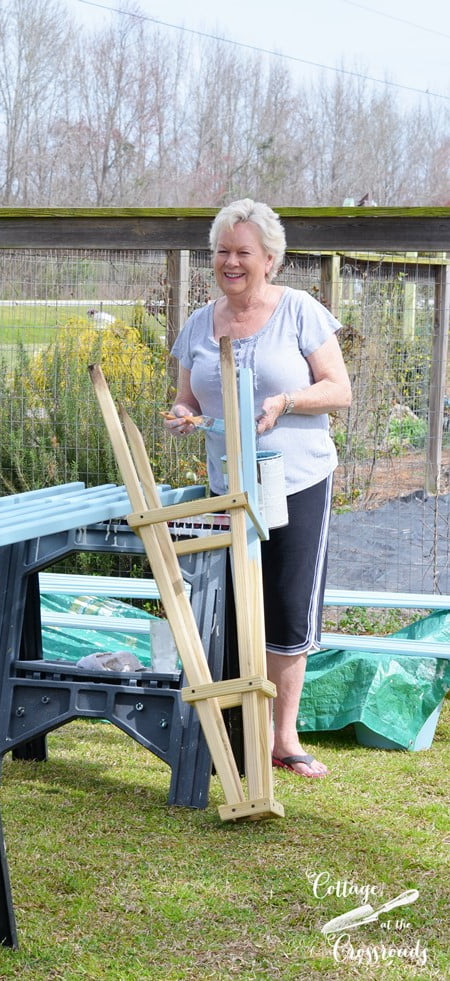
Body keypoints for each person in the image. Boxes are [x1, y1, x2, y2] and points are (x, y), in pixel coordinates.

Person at [164, 198, 352, 778]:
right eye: (222, 251)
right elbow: (188, 397)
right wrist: (179, 415)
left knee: (288, 606)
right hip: (230, 489)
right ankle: (234, 734)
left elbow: (339, 389)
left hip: (296, 481)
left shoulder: (300, 312)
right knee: (235, 605)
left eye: (243, 252)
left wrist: (287, 400)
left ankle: (283, 737)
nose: (231, 262)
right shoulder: (200, 322)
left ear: (270, 258)